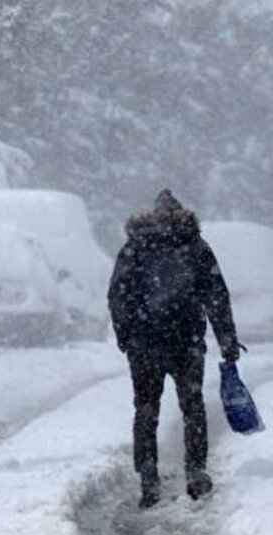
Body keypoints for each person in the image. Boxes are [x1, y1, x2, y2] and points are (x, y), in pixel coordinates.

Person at [107, 189, 240, 508]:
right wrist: (227, 340)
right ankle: (195, 471)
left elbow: (118, 296)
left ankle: (149, 475)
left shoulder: (135, 247)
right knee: (192, 406)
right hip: (186, 341)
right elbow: (216, 296)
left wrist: (125, 336)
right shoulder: (194, 246)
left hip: (144, 343)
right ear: (182, 215)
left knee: (146, 407)